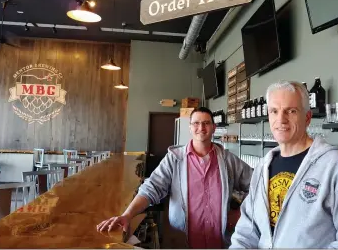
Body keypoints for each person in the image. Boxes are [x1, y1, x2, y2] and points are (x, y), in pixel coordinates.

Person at [230, 80, 338, 248]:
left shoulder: (336, 165)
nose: (281, 119)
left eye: (291, 111)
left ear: (307, 118)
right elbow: (246, 232)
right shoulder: (263, 167)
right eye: (274, 111)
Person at [97, 106, 253, 248]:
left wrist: (240, 213)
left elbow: (256, 185)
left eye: (206, 123)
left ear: (214, 128)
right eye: (196, 123)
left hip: (222, 243)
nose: (201, 128)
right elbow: (151, 188)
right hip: (182, 242)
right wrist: (127, 215)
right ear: (190, 128)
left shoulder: (228, 160)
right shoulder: (174, 159)